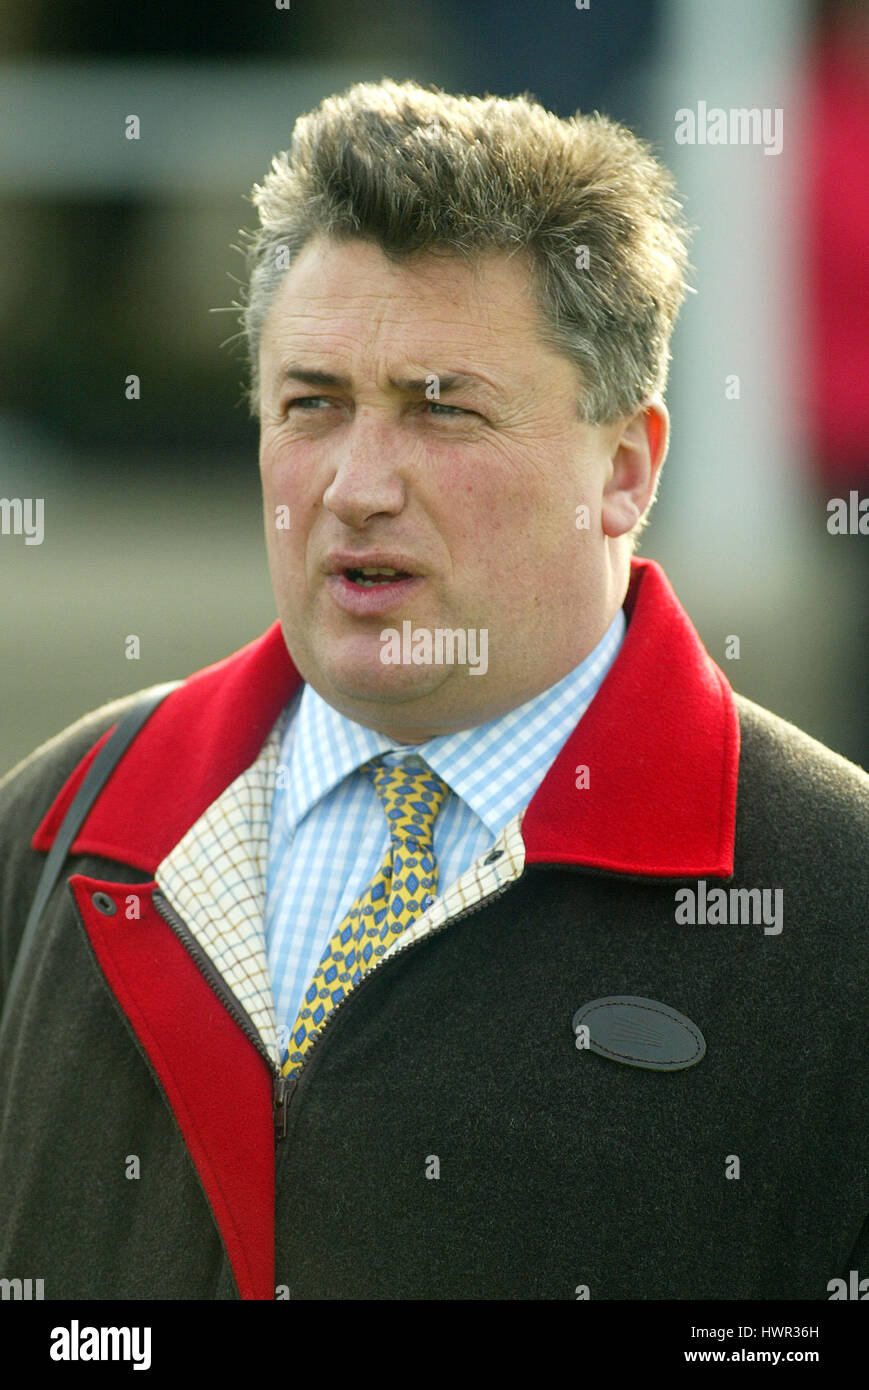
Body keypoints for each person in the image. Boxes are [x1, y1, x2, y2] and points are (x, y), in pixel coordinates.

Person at [0, 79, 865, 1302]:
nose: (356, 484)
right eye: (312, 404)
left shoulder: (837, 909)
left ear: (622, 470)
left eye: (439, 410)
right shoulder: (55, 831)